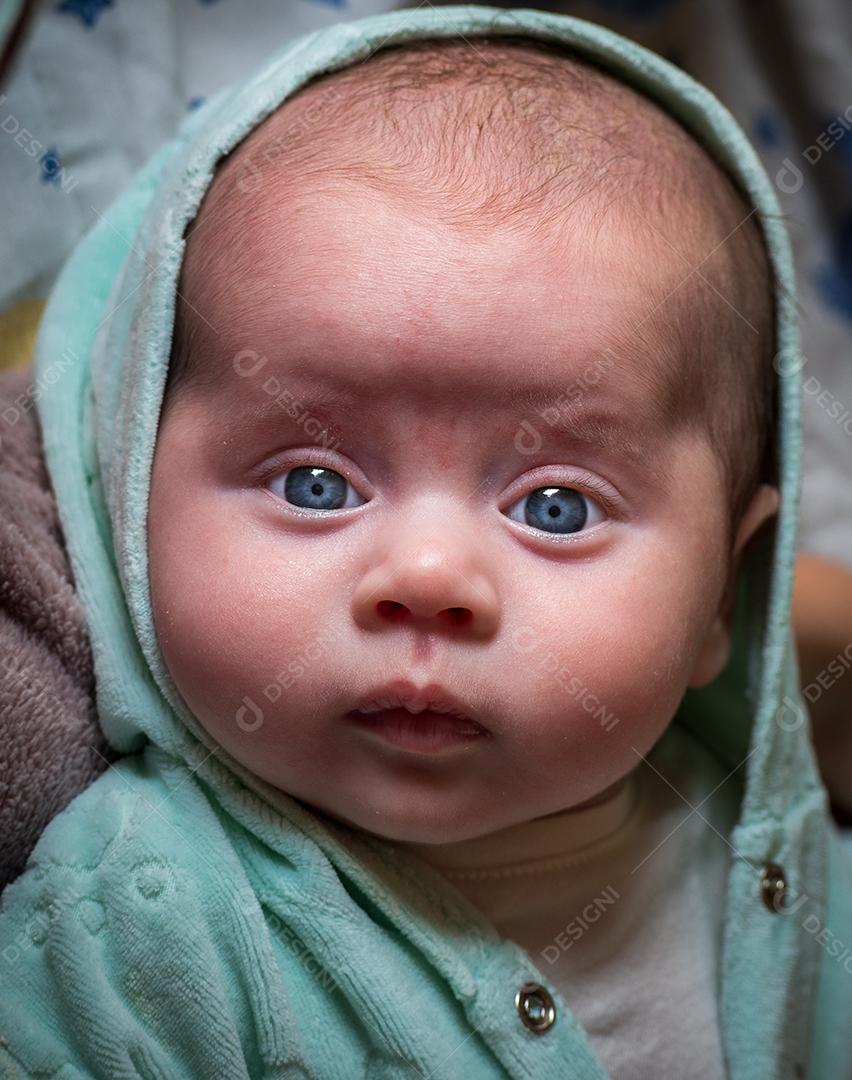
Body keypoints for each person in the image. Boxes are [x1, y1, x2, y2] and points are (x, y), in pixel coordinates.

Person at [0, 8, 849, 1078]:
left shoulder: (778, 869)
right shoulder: (133, 940)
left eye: (555, 507)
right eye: (315, 484)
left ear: (723, 596)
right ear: (128, 495)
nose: (429, 580)